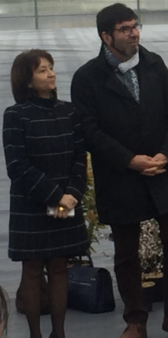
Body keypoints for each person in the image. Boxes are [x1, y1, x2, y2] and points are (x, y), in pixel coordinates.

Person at [70, 4, 168, 338]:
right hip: (120, 176)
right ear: (106, 37)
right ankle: (136, 320)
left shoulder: (154, 64)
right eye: (125, 29)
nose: (134, 33)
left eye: (135, 26)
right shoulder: (87, 78)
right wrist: (130, 160)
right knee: (126, 253)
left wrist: (166, 154)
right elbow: (89, 130)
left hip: (162, 170)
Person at [3, 50, 90, 338]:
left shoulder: (69, 111)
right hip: (31, 204)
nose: (51, 73)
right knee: (31, 269)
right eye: (42, 70)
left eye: (50, 68)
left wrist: (72, 194)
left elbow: (80, 157)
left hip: (66, 201)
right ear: (27, 80)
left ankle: (59, 333)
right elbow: (17, 166)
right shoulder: (15, 115)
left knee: (59, 267)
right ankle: (35, 335)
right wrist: (55, 196)